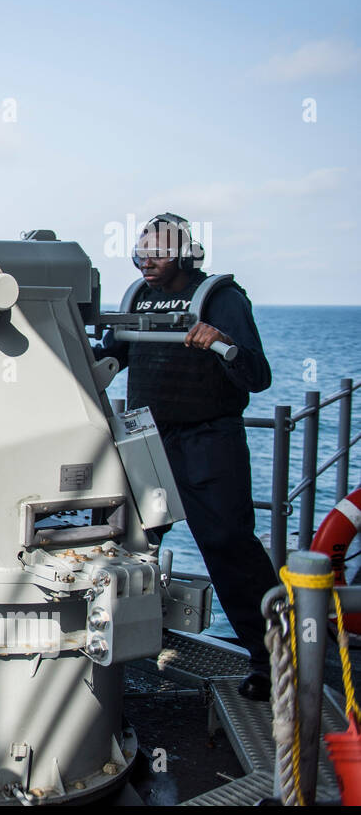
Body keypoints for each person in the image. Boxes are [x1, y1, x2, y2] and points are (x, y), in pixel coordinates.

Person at [96, 213, 277, 700]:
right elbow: (110, 357)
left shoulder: (220, 298)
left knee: (228, 547)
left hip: (208, 442)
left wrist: (221, 343)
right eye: (141, 250)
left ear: (185, 252)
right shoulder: (137, 297)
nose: (145, 259)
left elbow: (258, 376)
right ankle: (122, 641)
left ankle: (270, 660)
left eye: (156, 250)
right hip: (149, 442)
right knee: (125, 542)